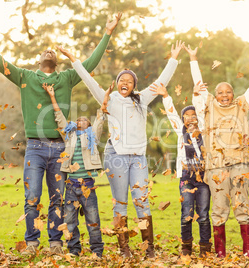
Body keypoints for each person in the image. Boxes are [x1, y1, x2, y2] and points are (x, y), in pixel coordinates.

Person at [0, 13, 121, 255]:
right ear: (39, 60)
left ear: (57, 62)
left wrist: (108, 33)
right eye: (45, 51)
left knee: (56, 199)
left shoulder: (67, 78)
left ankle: (55, 244)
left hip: (61, 148)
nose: (49, 51)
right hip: (35, 148)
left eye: (52, 52)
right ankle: (31, 243)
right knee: (32, 197)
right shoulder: (26, 77)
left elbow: (90, 64)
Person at [68, 40, 184, 258]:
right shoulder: (109, 99)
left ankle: (148, 249)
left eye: (130, 81)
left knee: (142, 202)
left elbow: (161, 82)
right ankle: (124, 250)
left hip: (138, 158)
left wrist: (174, 58)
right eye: (122, 79)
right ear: (117, 82)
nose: (126, 82)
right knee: (120, 204)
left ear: (134, 85)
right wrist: (73, 60)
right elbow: (89, 80)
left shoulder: (142, 99)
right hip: (116, 157)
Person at [189, 45, 249, 258]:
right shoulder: (209, 105)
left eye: (228, 91)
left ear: (233, 93)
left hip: (240, 164)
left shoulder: (242, 105)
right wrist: (193, 59)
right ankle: (220, 253)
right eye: (220, 92)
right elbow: (199, 86)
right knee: (219, 209)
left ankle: (248, 252)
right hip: (216, 166)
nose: (224, 95)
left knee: (242, 207)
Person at [43, 53, 112, 257]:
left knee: (93, 219)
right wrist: (52, 96)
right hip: (71, 185)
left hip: (88, 184)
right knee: (70, 220)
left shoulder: (93, 135)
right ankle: (74, 250)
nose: (81, 120)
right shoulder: (70, 135)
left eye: (85, 120)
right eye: (79, 119)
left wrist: (105, 96)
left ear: (89, 126)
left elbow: (102, 115)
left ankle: (97, 251)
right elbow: (59, 117)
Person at [149, 81, 212, 257]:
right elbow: (172, 115)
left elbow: (200, 110)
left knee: (204, 214)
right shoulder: (180, 133)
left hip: (203, 178)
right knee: (186, 212)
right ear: (183, 119)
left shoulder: (205, 133)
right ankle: (186, 246)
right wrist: (165, 96)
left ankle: (205, 247)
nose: (190, 118)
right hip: (186, 177)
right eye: (186, 116)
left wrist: (197, 95)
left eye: (193, 116)